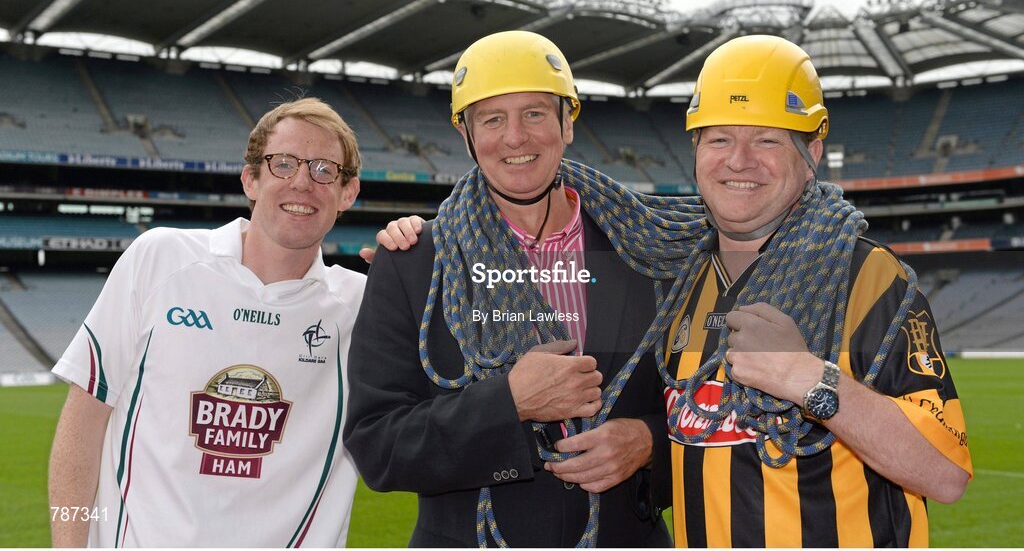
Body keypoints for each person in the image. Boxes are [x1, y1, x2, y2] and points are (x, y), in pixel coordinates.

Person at [344, 31, 686, 547]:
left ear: (567, 123)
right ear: (467, 135)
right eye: (492, 119)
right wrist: (508, 403)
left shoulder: (648, 251)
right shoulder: (414, 262)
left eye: (534, 114)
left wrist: (649, 444)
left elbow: (713, 403)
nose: (515, 138)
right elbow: (378, 446)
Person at [662, 35, 972, 547]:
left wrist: (814, 382)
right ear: (695, 150)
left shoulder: (872, 280)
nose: (739, 161)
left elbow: (945, 474)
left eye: (767, 140)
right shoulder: (678, 287)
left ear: (811, 153)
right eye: (719, 139)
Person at [49, 98, 365, 547]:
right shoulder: (160, 259)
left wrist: (418, 255)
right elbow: (83, 423)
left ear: (347, 193)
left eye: (323, 170)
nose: (302, 182)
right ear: (251, 178)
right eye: (284, 164)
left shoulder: (361, 305)